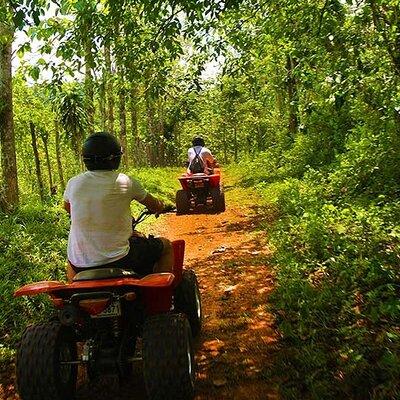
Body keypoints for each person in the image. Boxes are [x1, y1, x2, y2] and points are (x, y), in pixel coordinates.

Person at [63, 132, 174, 282]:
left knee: (70, 264)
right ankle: (161, 296)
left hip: (79, 264)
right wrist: (161, 206)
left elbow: (68, 208)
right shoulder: (126, 181)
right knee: (166, 246)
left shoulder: (73, 183)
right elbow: (154, 205)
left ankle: (74, 294)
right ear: (116, 158)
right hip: (121, 259)